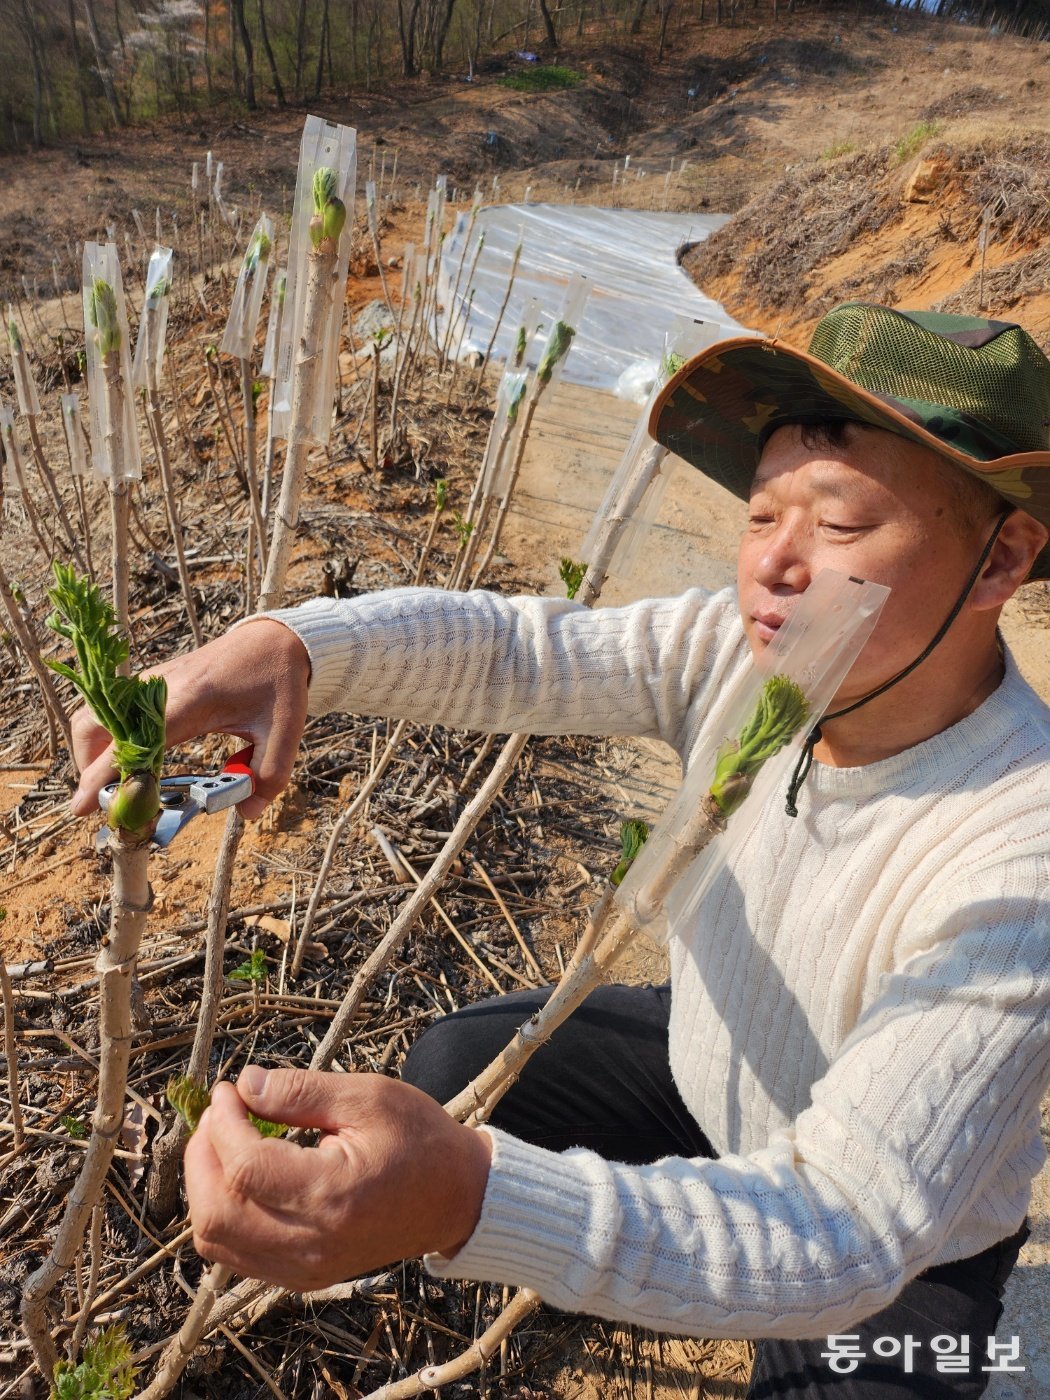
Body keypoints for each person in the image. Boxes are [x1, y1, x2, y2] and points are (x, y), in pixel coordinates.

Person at [71, 302, 1050, 1398]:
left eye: (838, 523)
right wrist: (293, 643)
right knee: (456, 1067)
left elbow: (845, 1223)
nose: (771, 564)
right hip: (708, 1074)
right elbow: (520, 651)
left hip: (889, 1246)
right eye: (761, 512)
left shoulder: (1021, 850)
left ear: (999, 557)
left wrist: (468, 1199)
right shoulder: (746, 658)